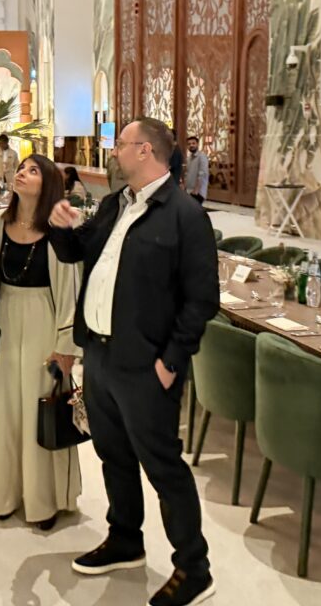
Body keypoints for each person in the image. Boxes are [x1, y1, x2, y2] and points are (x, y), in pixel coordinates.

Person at [49, 117, 219, 606]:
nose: (114, 152)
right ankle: (125, 537)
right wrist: (60, 227)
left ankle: (194, 568)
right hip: (101, 356)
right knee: (113, 456)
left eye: (121, 144)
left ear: (145, 151)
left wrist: (171, 362)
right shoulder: (114, 205)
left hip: (147, 367)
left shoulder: (185, 215)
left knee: (163, 467)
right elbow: (78, 253)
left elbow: (201, 300)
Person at [0, 154, 82, 530]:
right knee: (4, 408)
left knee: (40, 410)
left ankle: (43, 501)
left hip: (43, 322)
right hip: (4, 321)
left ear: (47, 184)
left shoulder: (57, 232)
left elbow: (70, 290)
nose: (21, 173)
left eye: (33, 171)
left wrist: (65, 347)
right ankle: (3, 495)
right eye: (21, 168)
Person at [183, 136, 209, 205]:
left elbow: (202, 174)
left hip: (197, 192)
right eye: (189, 144)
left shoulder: (202, 157)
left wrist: (196, 189)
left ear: (197, 144)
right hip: (189, 190)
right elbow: (187, 173)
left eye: (193, 143)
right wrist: (184, 186)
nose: (191, 145)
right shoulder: (189, 158)